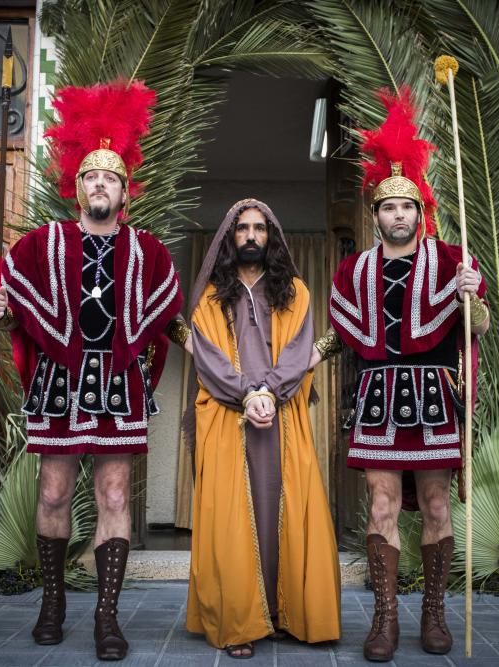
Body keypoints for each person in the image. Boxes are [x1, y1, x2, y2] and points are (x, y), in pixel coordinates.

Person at [0, 80, 182, 660]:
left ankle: (107, 615)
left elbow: (165, 315)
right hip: (57, 383)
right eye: (91, 177)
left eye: (111, 178)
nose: (100, 185)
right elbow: (6, 299)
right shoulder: (41, 245)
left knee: (115, 495)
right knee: (52, 493)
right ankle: (52, 602)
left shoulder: (149, 250)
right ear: (77, 188)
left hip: (119, 383)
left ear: (125, 192)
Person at [318, 88, 489, 662]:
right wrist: (298, 367)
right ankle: (385, 620)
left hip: (436, 395)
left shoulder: (451, 261)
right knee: (382, 506)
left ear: (421, 212)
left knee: (438, 506)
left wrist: (472, 300)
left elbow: (480, 327)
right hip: (379, 395)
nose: (398, 215)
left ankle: (434, 616)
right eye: (389, 208)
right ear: (376, 216)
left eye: (408, 207)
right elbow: (342, 336)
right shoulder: (354, 270)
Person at [182, 199, 340, 659]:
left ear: (271, 237)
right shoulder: (211, 295)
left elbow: (298, 351)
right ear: (229, 238)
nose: (251, 236)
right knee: (233, 518)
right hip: (229, 418)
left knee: (284, 514)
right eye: (242, 229)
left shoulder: (295, 291)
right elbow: (207, 355)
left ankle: (282, 615)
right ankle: (240, 621)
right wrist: (246, 394)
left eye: (259, 229)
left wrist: (268, 393)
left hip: (282, 418)